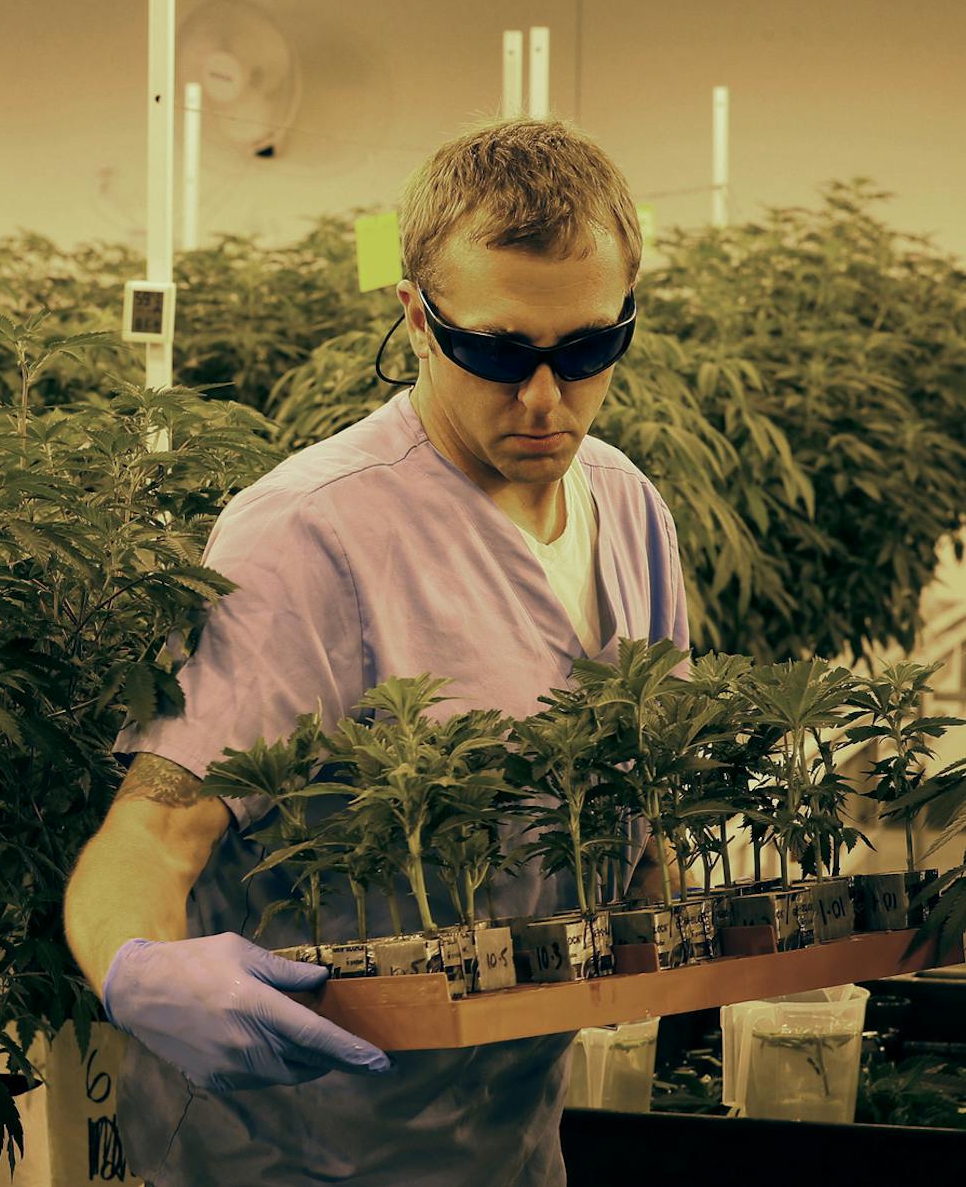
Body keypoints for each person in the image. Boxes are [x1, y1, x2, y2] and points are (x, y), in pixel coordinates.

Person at [63, 115, 690, 1186]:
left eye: (586, 349)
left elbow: (640, 813)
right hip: (297, 1154)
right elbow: (153, 830)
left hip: (511, 1144)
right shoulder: (311, 534)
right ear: (415, 316)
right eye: (495, 351)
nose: (545, 397)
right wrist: (138, 967)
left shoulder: (629, 509)